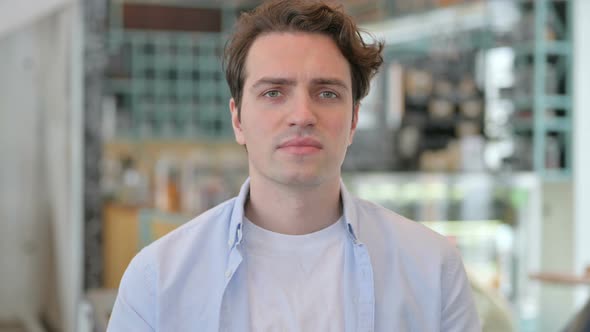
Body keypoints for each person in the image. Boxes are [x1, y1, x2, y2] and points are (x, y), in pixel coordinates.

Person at [107, 0, 481, 331]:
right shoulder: (158, 279)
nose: (302, 114)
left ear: (353, 121)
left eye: (327, 93)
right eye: (273, 93)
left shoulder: (433, 271)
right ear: (238, 120)